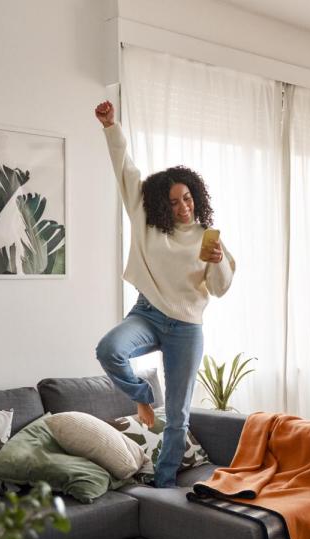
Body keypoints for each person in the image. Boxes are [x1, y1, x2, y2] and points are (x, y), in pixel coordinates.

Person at [94, 100, 235, 488]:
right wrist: (110, 126)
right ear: (161, 204)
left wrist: (219, 260)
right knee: (109, 349)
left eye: (187, 198)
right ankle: (142, 394)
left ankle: (165, 484)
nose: (183, 207)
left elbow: (220, 289)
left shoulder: (207, 236)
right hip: (148, 313)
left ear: (196, 197)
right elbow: (126, 168)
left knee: (178, 416)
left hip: (187, 327)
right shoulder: (145, 218)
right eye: (173, 202)